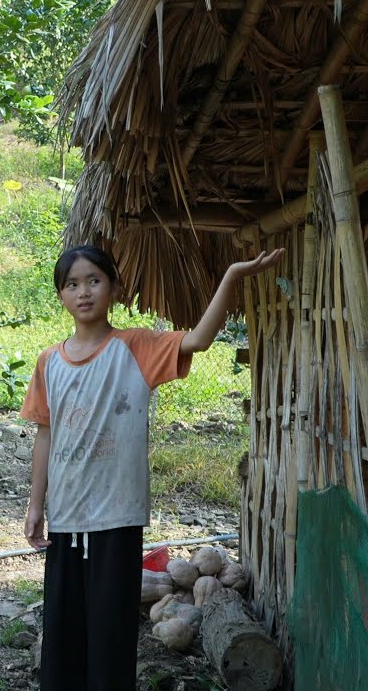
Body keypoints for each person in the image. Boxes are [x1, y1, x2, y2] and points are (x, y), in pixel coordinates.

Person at [20, 244, 284, 691]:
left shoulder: (136, 347)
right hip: (66, 517)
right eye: (72, 284)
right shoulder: (49, 362)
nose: (83, 292)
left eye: (94, 281)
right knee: (62, 639)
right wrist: (35, 506)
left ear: (114, 288)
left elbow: (198, 339)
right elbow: (45, 433)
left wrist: (232, 277)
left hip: (117, 518)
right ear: (61, 295)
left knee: (112, 637)